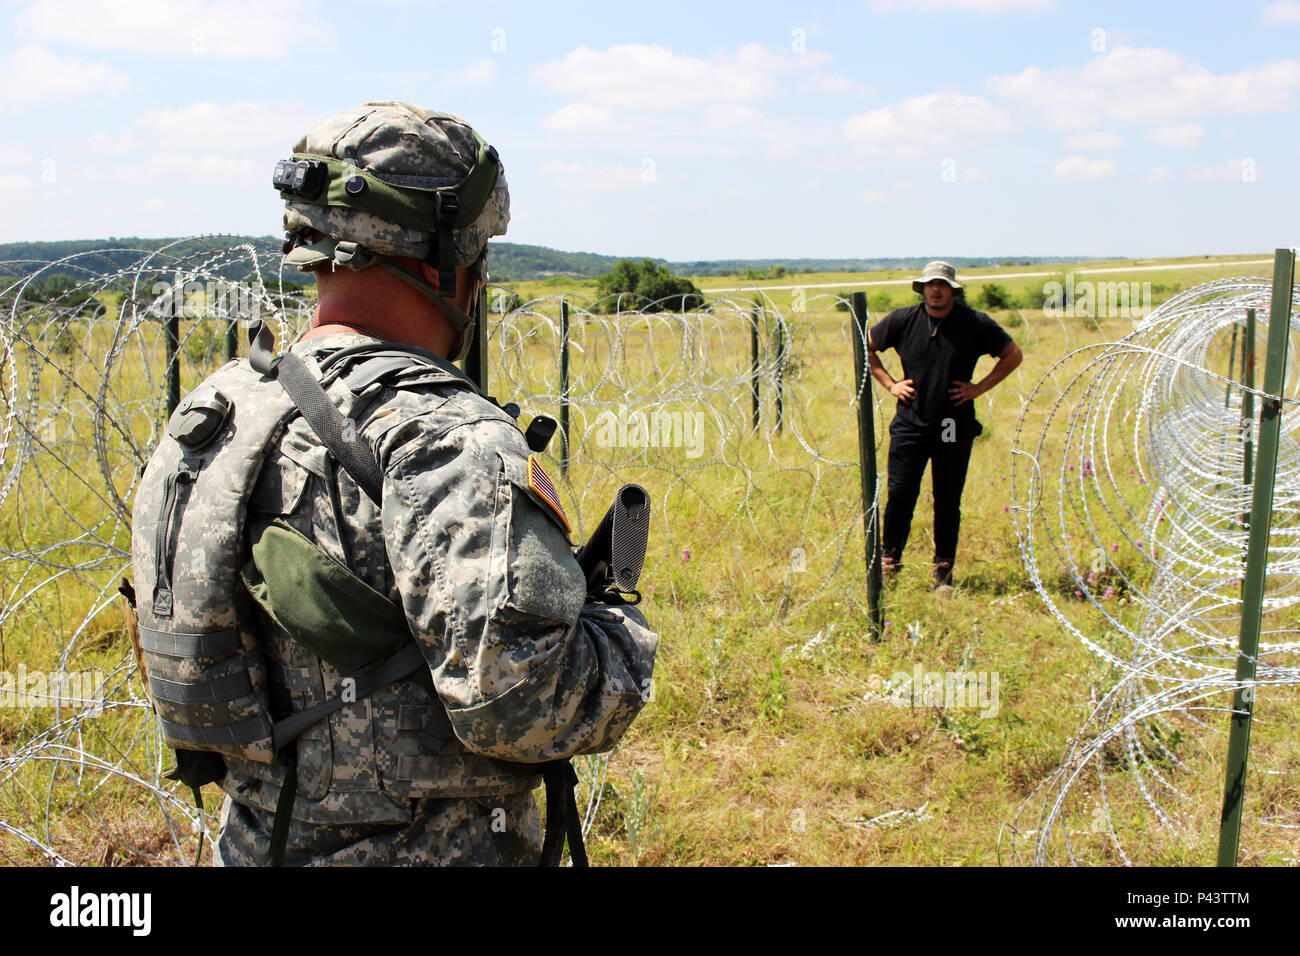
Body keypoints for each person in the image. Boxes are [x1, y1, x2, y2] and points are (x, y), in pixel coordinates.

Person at [133, 102, 658, 866]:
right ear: (445, 256)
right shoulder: (444, 435)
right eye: (480, 250)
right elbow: (530, 706)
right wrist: (616, 632)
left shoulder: (219, 409)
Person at [866, 260, 1022, 592]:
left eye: (943, 285)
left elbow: (1012, 354)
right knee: (901, 493)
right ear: (922, 288)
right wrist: (891, 384)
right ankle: (890, 561)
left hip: (952, 424)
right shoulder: (902, 319)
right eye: (930, 285)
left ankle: (943, 572)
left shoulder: (974, 323)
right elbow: (866, 346)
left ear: (953, 290)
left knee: (947, 498)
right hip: (910, 423)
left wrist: (979, 387)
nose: (936, 290)